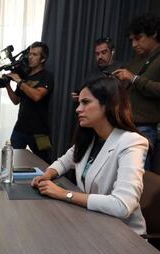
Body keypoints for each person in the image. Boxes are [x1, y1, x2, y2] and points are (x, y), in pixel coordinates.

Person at [31, 77, 148, 235]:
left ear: (108, 105)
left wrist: (63, 194)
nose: (78, 109)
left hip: (123, 234)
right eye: (79, 103)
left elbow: (122, 205)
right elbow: (64, 162)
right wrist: (47, 175)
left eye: (85, 102)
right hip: (93, 222)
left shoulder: (132, 142)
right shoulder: (91, 137)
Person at [114, 14, 160, 170]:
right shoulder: (137, 59)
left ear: (153, 33)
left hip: (145, 128)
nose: (134, 44)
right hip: (126, 124)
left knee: (138, 180)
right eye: (132, 40)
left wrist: (133, 79)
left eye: (138, 38)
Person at [4, 41, 54, 163]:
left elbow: (37, 96)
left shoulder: (47, 76)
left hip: (40, 131)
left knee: (45, 163)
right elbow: (16, 100)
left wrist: (19, 81)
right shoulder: (25, 76)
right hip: (20, 127)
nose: (30, 57)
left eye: (35, 55)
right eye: (30, 54)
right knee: (10, 160)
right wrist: (7, 85)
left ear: (43, 59)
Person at [72, 37, 122, 101]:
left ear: (112, 52)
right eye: (97, 54)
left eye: (104, 52)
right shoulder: (92, 73)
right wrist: (79, 96)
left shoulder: (121, 69)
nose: (100, 57)